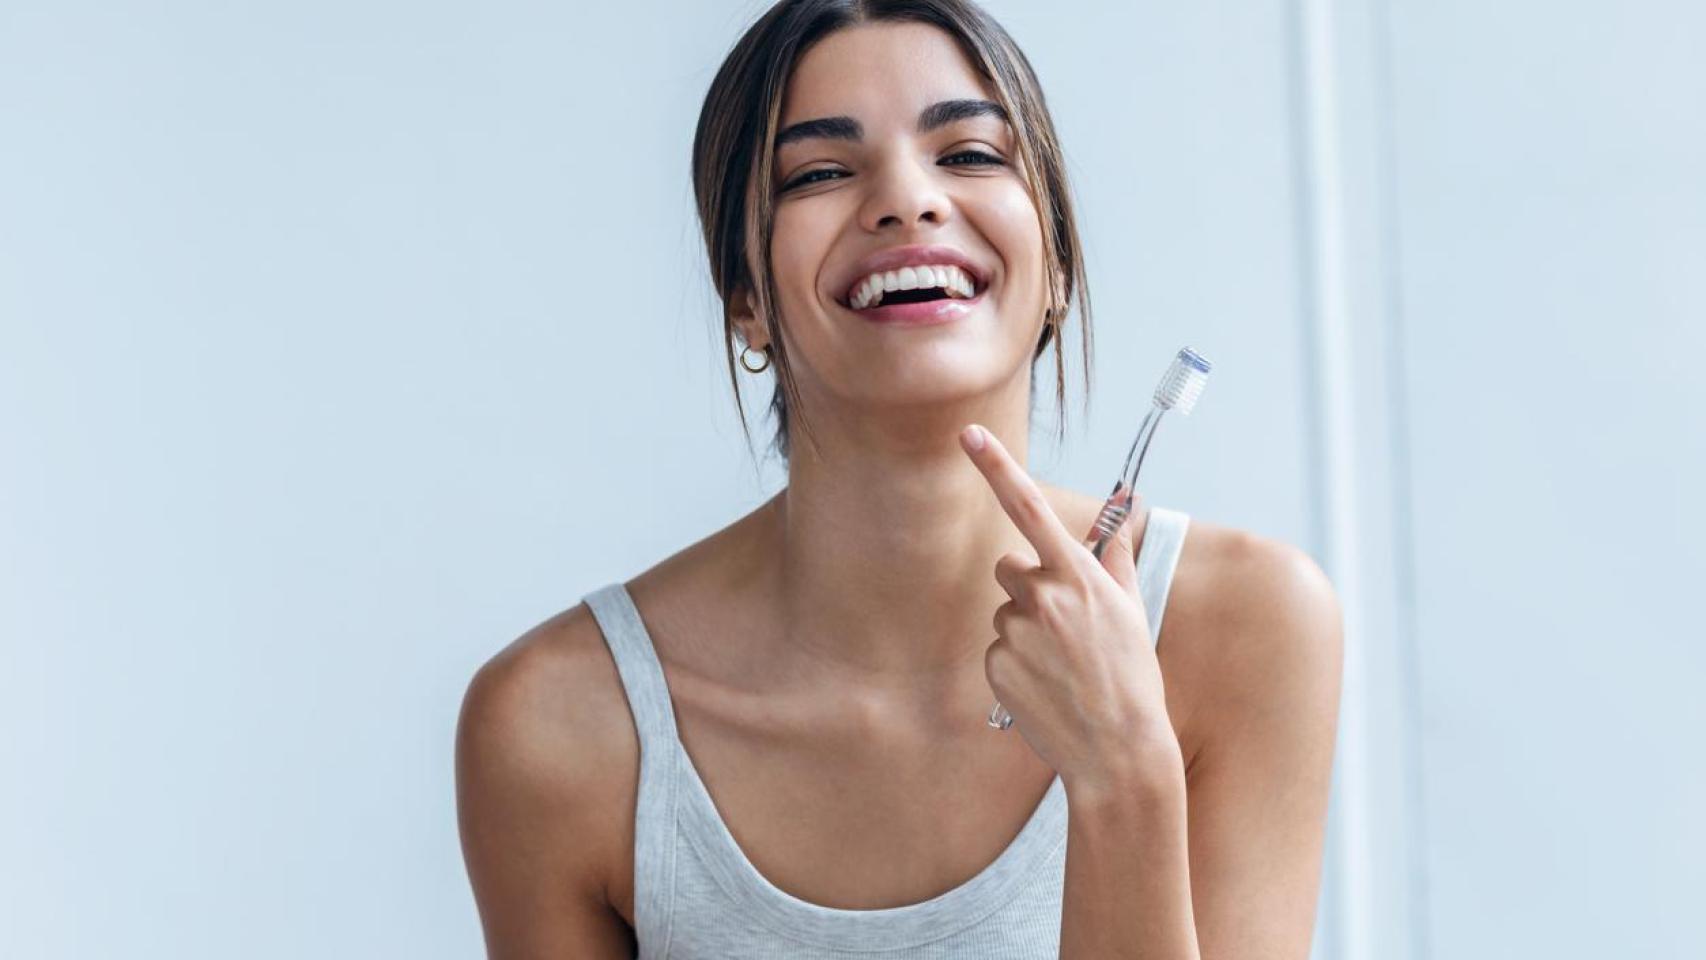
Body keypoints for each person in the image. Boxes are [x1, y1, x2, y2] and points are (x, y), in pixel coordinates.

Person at [455, 1, 1343, 956]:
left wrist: (1124, 771)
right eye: (823, 172)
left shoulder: (1245, 628)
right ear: (745, 297)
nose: (907, 199)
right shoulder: (561, 725)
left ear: (1055, 264)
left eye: (969, 155)